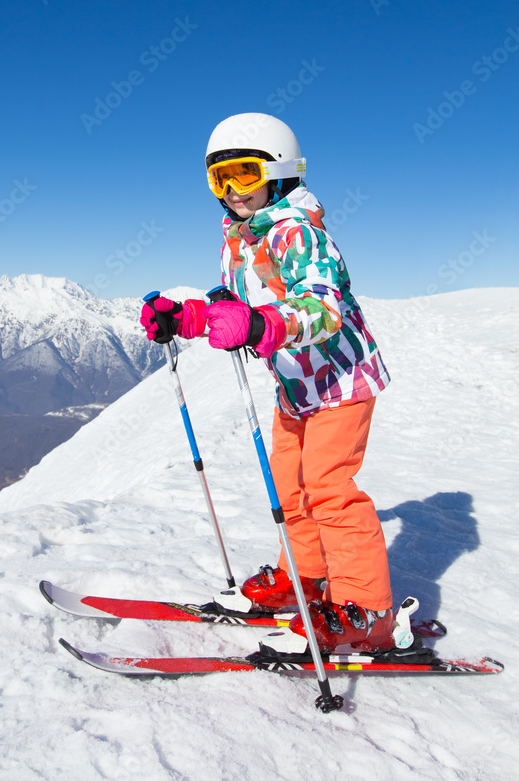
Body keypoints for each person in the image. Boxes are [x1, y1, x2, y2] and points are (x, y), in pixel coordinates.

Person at [140, 112, 394, 652]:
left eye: (244, 175)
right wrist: (185, 318)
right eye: (219, 179)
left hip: (341, 380)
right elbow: (234, 308)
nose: (232, 192)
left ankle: (366, 610)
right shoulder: (239, 239)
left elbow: (326, 306)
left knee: (330, 490)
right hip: (295, 387)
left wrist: (265, 324)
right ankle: (305, 578)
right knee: (291, 487)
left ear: (278, 173)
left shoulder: (298, 233)